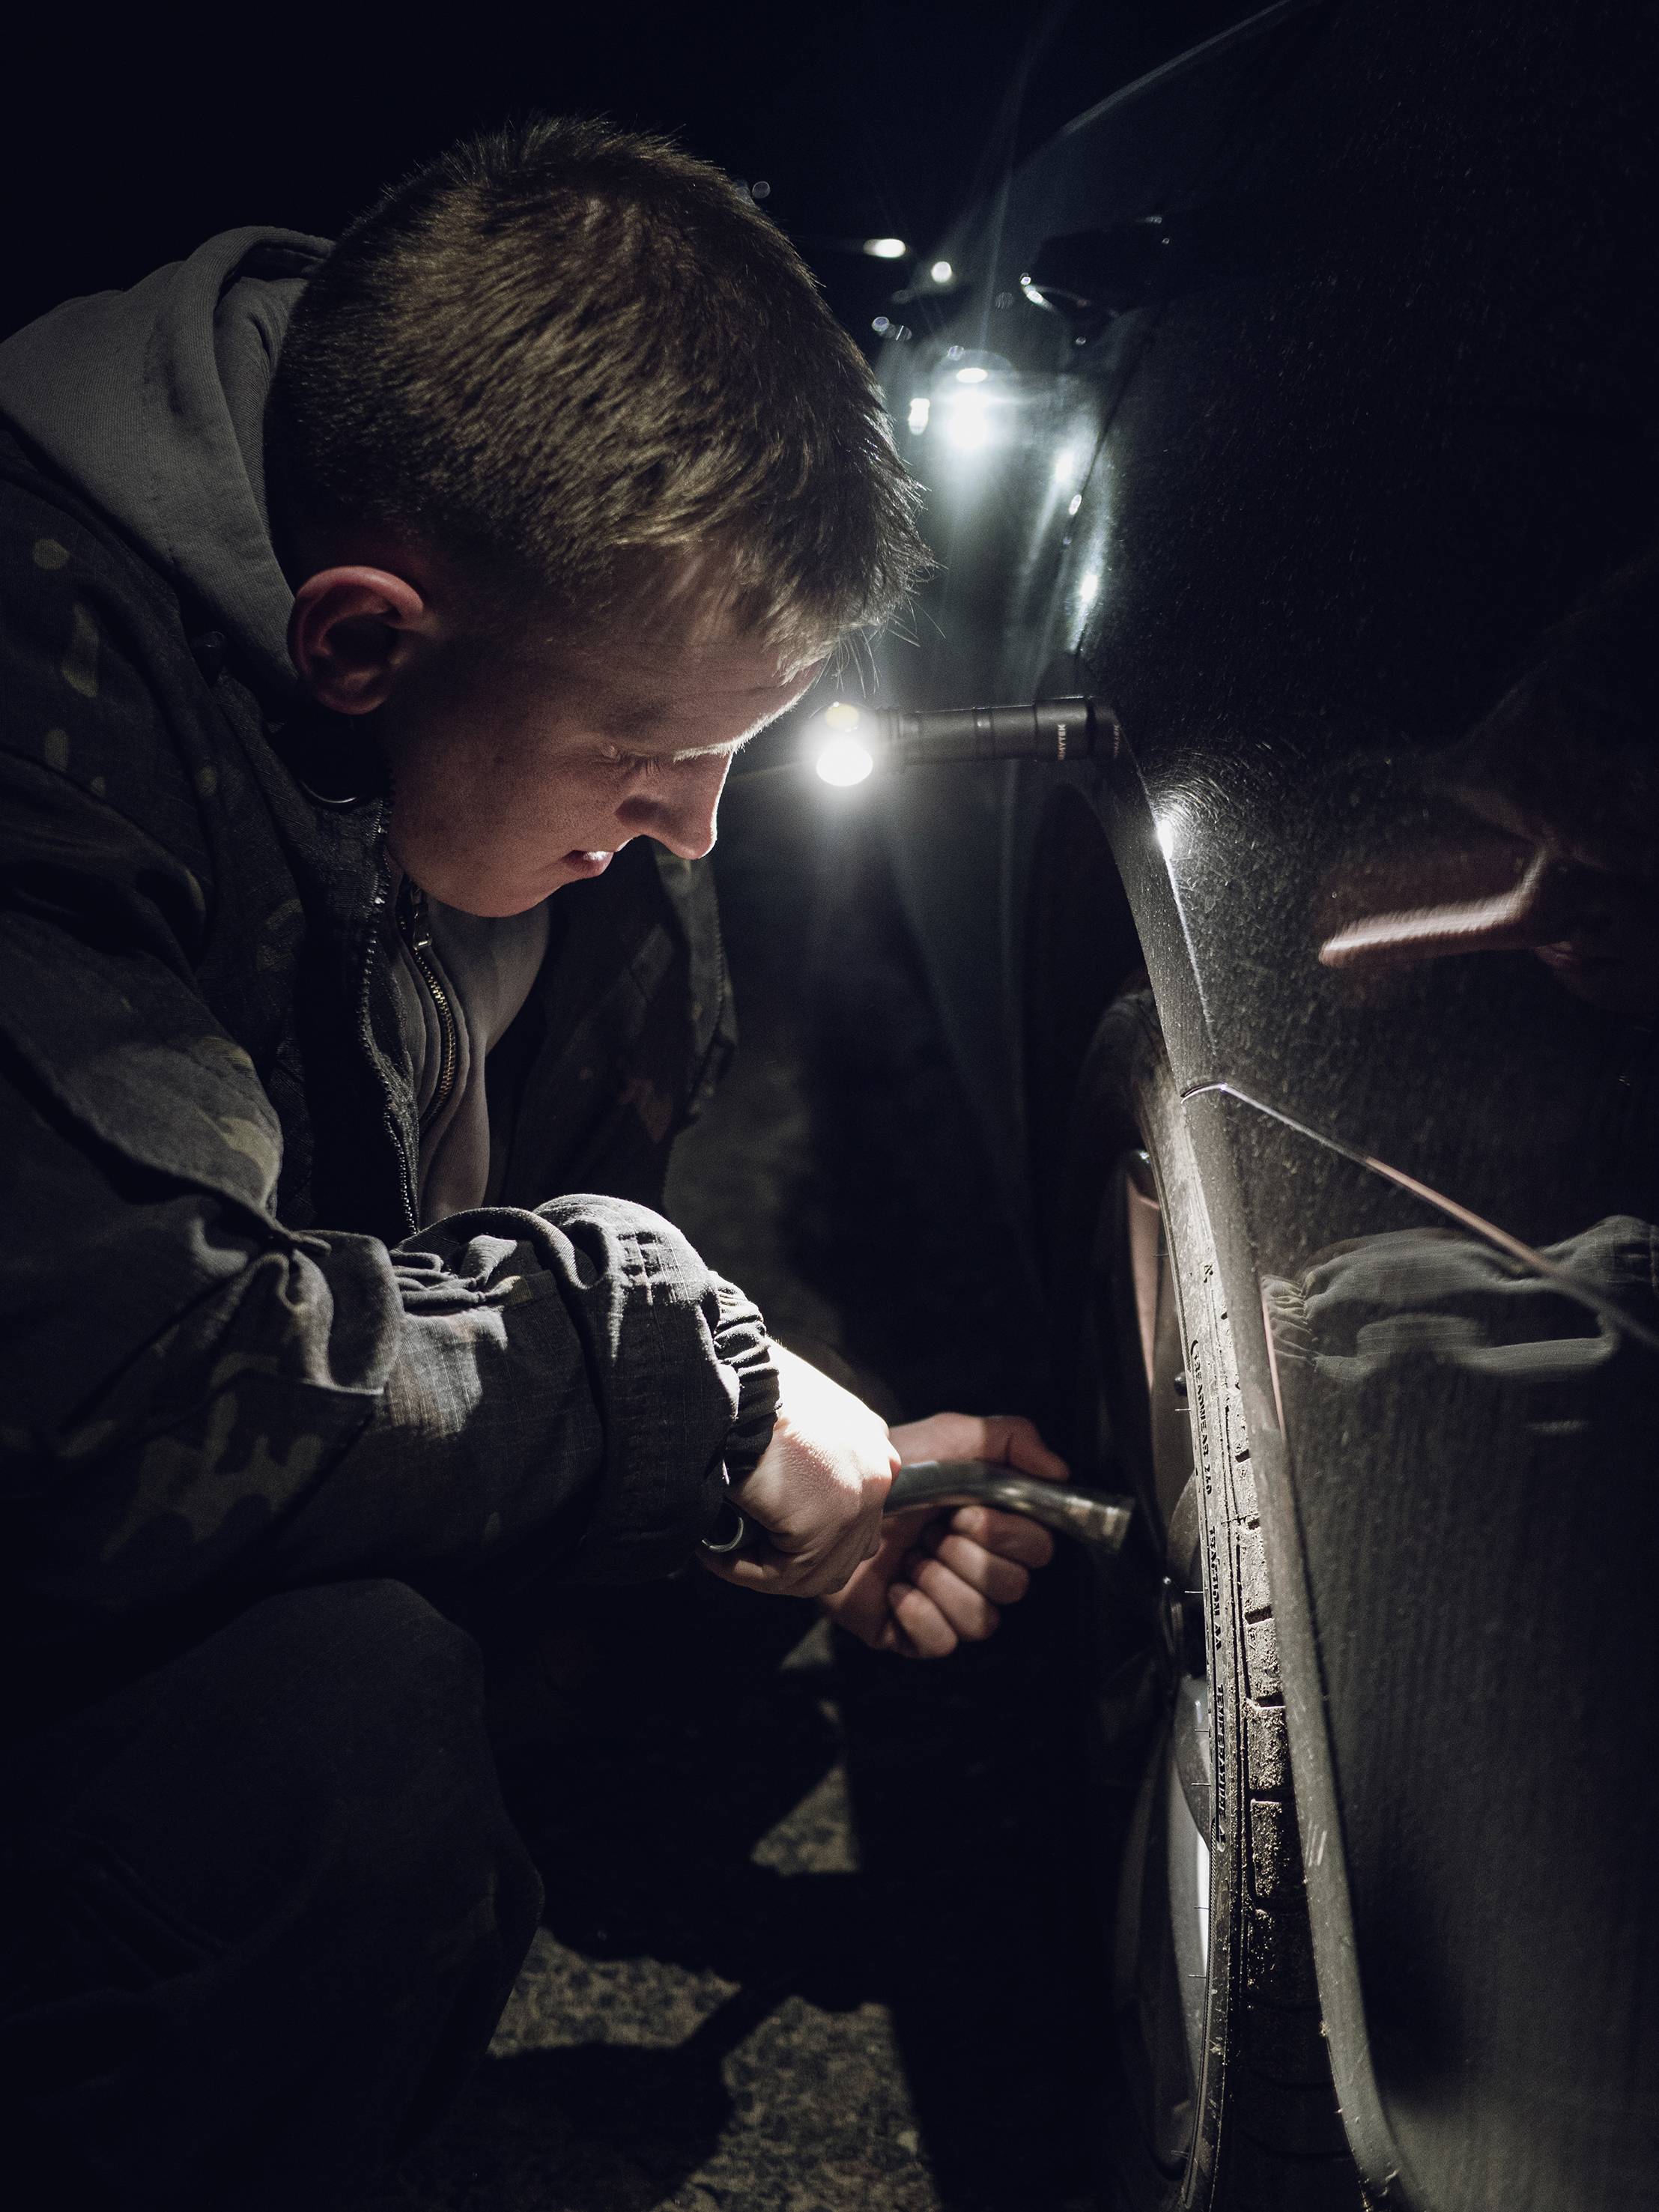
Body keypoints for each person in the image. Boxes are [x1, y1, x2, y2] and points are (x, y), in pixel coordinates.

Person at [0, 119, 1067, 2207]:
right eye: (651, 753)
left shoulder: (520, 723)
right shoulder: (47, 705)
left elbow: (440, 1351)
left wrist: (746, 1501)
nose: (698, 826)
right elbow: (97, 1405)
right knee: (340, 1756)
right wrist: (664, 1363)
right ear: (360, 645)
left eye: (737, 752)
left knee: (643, 1579)